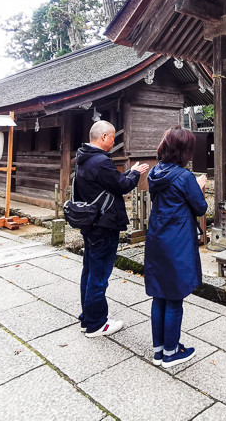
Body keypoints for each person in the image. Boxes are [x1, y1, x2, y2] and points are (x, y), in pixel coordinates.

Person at [75, 120, 149, 337]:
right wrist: (135, 174)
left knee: (89, 272)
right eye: (113, 137)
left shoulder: (84, 158)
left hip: (90, 223)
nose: (114, 141)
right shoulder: (101, 162)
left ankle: (87, 318)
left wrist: (129, 172)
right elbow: (122, 185)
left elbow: (111, 183)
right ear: (104, 137)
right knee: (99, 276)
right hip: (104, 224)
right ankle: (97, 324)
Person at [145, 126, 208, 369]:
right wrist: (200, 186)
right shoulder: (184, 177)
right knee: (174, 298)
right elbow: (200, 207)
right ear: (183, 150)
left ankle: (158, 349)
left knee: (159, 295)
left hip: (157, 237)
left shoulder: (154, 172)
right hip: (177, 240)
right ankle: (171, 353)